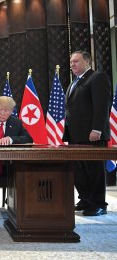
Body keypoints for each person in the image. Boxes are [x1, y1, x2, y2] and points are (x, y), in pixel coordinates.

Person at [63, 50, 112, 216]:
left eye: (75, 61)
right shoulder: (75, 82)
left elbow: (101, 106)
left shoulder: (97, 77)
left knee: (94, 170)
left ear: (87, 62)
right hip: (75, 135)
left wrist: (97, 129)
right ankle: (85, 199)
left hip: (93, 135)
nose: (72, 65)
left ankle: (98, 204)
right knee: (79, 170)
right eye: (71, 62)